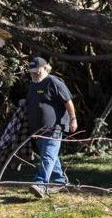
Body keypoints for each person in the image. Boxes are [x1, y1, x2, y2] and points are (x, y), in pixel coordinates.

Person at [26, 57, 77, 197]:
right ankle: (60, 181)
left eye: (37, 71)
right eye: (32, 72)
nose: (34, 74)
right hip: (38, 130)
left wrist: (73, 119)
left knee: (47, 156)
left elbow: (68, 102)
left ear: (45, 68)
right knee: (49, 155)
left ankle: (40, 184)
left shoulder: (54, 82)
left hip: (54, 127)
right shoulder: (33, 85)